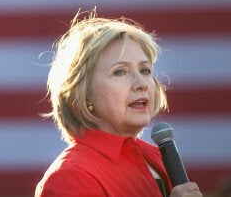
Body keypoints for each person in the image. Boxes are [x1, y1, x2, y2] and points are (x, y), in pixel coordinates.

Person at [35, 10, 202, 197]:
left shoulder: (157, 157)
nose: (141, 84)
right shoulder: (71, 175)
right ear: (83, 92)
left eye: (145, 70)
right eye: (120, 72)